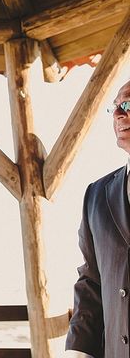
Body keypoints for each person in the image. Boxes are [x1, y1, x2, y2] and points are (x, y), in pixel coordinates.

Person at [65, 78, 130, 357]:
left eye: (127, 104)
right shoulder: (96, 194)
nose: (118, 115)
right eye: (114, 107)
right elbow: (91, 283)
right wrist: (78, 352)